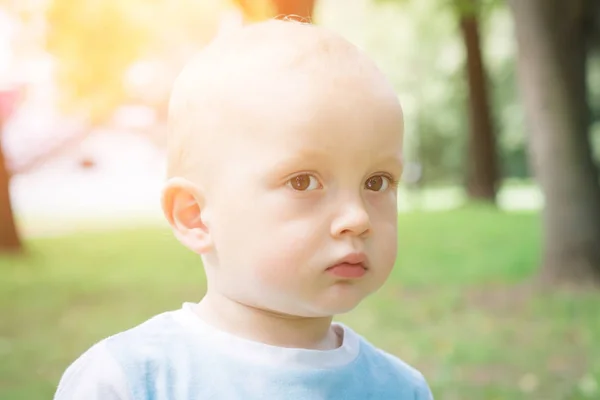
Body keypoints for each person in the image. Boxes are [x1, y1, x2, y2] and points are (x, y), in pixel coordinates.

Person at [54, 18, 434, 400]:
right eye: (303, 181)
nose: (357, 218)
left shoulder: (400, 389)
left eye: (377, 182)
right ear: (195, 215)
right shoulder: (129, 382)